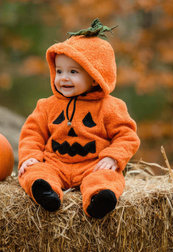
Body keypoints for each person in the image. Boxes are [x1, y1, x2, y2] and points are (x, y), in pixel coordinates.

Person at [18, 19, 140, 219]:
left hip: (93, 165)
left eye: (73, 72)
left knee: (107, 177)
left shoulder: (110, 107)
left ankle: (99, 199)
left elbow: (126, 136)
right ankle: (45, 192)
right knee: (34, 172)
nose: (63, 78)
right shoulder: (47, 105)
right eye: (59, 71)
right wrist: (30, 156)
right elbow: (32, 133)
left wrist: (112, 157)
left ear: (95, 76)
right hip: (55, 163)